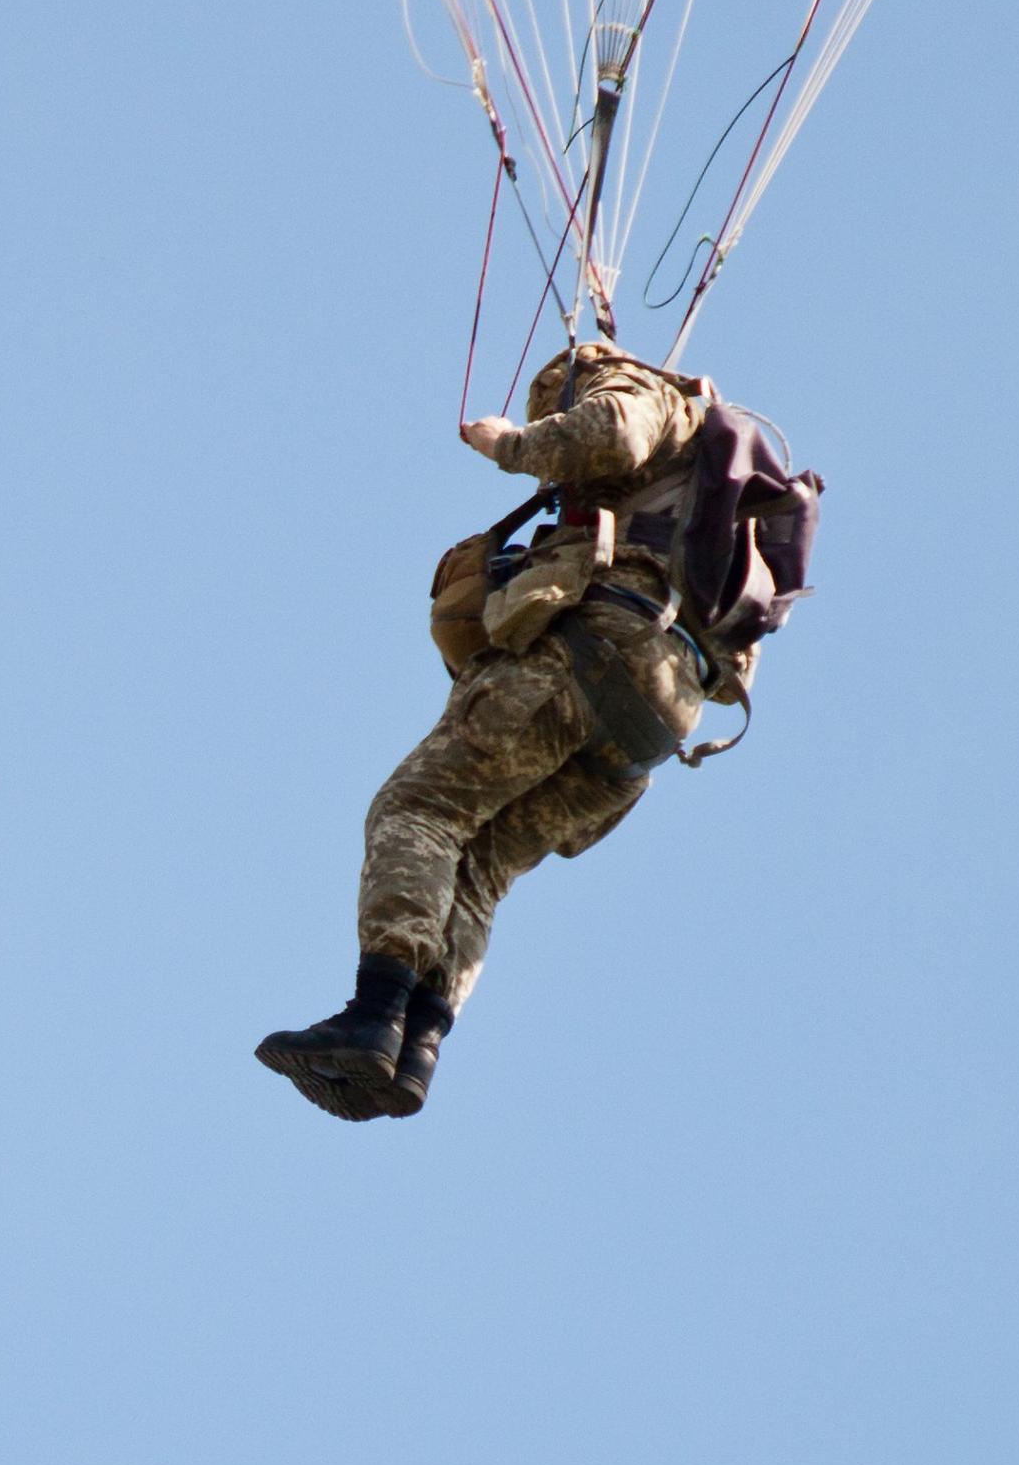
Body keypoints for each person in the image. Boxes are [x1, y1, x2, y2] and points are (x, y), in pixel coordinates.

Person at [255, 341, 758, 1122]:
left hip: (596, 657)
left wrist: (511, 447)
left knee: (419, 809)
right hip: (656, 719)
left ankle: (373, 1012)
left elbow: (617, 431)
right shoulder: (709, 495)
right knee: (482, 863)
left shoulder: (642, 392)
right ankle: (415, 1046)